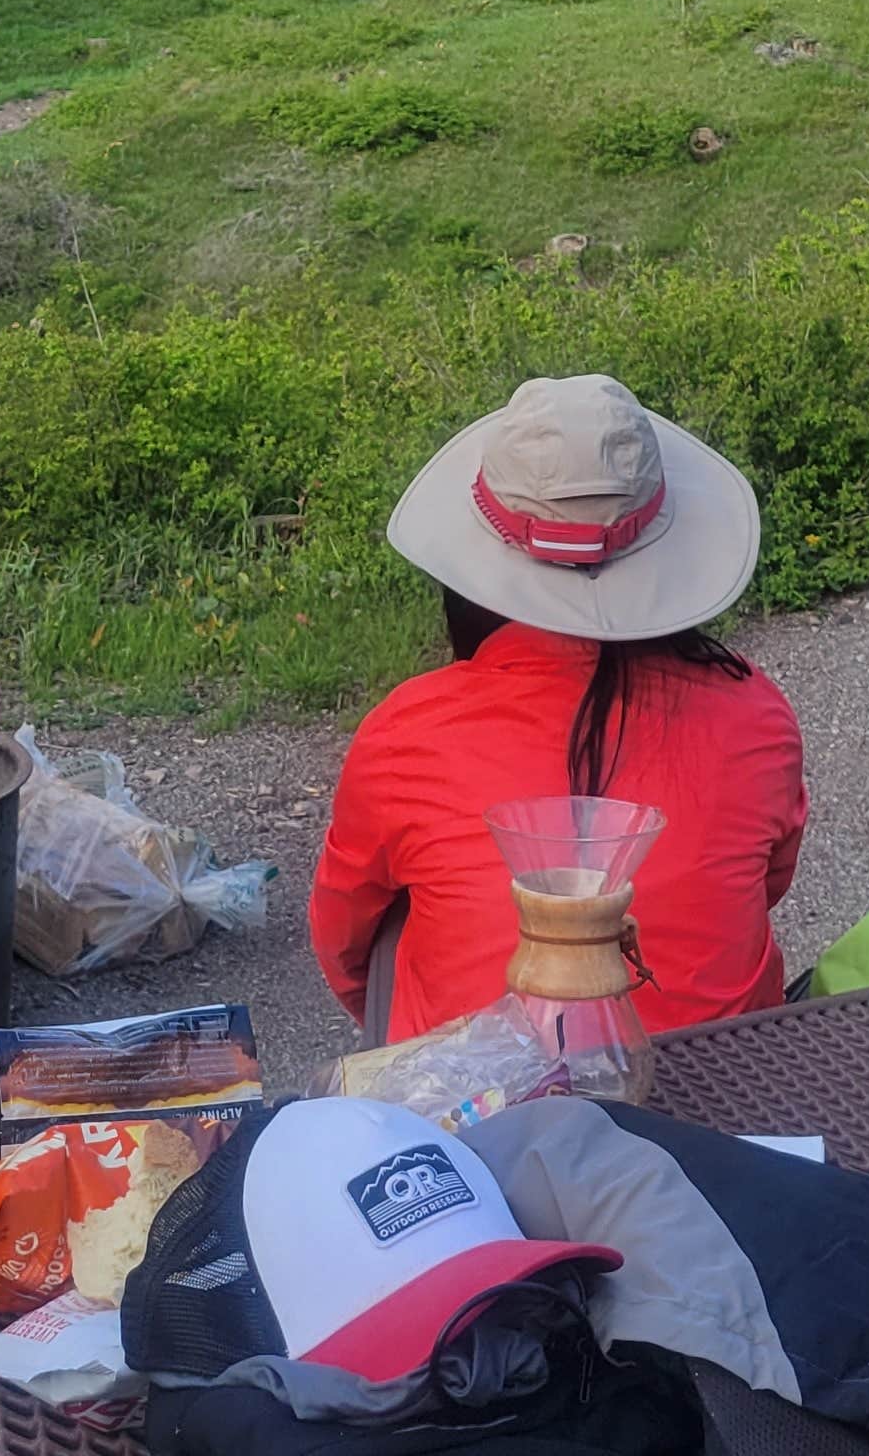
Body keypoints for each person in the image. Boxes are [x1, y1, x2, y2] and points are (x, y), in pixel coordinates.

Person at [309, 373, 808, 1042]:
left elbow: (344, 947)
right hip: (722, 1094)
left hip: (483, 1114)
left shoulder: (406, 732)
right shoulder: (755, 714)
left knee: (393, 917)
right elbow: (770, 882)